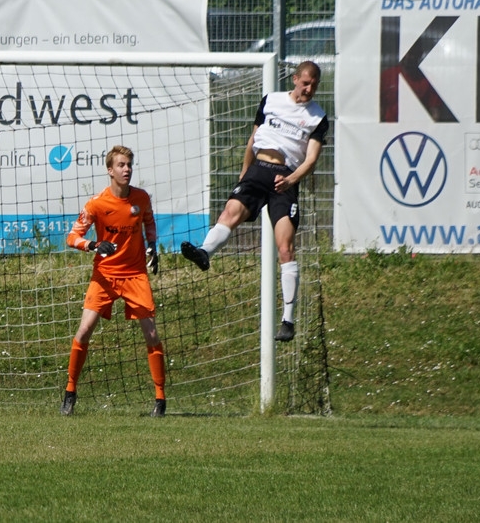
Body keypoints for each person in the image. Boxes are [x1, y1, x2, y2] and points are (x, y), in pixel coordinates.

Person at [180, 60, 328, 343]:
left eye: (314, 85)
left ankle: (288, 321)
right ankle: (204, 253)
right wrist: (244, 172)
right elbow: (253, 138)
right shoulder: (270, 100)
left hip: (285, 178)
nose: (309, 89)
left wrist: (291, 180)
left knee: (285, 247)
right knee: (230, 212)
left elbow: (310, 160)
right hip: (258, 170)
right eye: (305, 83)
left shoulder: (318, 117)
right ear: (295, 79)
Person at [61, 145, 164, 417]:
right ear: (110, 170)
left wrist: (152, 246)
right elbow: (71, 237)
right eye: (121, 165)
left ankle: (160, 399)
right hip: (104, 275)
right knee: (84, 330)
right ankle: (70, 392)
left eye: (129, 164)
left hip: (135, 275)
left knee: (152, 334)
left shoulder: (141, 198)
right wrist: (93, 245)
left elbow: (149, 222)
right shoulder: (96, 204)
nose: (126, 169)